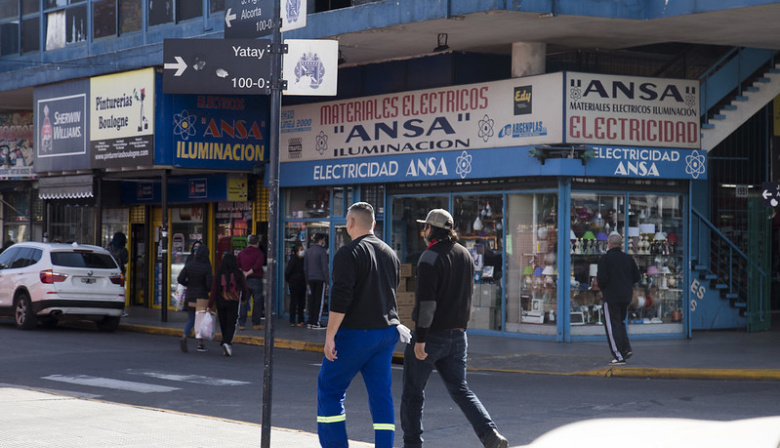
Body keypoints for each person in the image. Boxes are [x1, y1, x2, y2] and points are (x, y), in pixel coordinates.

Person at [401, 209, 508, 448]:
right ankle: (490, 435)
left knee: (413, 393)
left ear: (432, 230)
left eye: (425, 227)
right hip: (459, 336)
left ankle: (412, 444)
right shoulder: (465, 255)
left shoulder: (429, 258)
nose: (423, 231)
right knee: (462, 390)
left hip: (432, 336)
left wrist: (420, 338)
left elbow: (427, 304)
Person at [317, 202, 401, 448]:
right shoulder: (390, 254)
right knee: (381, 395)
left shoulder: (347, 253)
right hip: (386, 333)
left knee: (330, 390)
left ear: (350, 223)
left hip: (355, 334)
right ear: (373, 224)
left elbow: (341, 298)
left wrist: (330, 335)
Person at [597, 233, 640, 365]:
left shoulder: (605, 259)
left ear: (609, 244)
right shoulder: (628, 258)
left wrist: (604, 288)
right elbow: (637, 277)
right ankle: (625, 349)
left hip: (611, 297)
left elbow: (602, 280)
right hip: (626, 296)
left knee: (612, 326)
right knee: (620, 323)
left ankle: (618, 355)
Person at [208, 253, 247, 357]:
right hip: (233, 300)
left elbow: (214, 290)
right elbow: (244, 287)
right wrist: (243, 299)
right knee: (231, 322)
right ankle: (227, 342)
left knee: (223, 322)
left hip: (220, 300)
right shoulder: (238, 273)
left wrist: (209, 304)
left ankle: (225, 340)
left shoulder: (219, 273)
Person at [177, 244, 213, 353]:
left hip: (190, 295)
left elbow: (180, 278)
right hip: (201, 296)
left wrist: (188, 283)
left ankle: (184, 335)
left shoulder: (190, 265)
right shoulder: (206, 267)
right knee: (200, 321)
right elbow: (209, 284)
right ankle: (200, 344)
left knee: (191, 319)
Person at [237, 234, 265, 330]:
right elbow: (257, 266)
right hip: (256, 280)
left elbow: (237, 266)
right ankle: (255, 323)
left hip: (244, 281)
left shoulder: (241, 253)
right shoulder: (259, 253)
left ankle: (241, 323)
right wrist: (248, 273)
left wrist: (244, 273)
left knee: (243, 301)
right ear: (257, 242)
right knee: (257, 302)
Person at [304, 232, 329, 329]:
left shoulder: (308, 251)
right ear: (321, 240)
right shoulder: (322, 252)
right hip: (320, 279)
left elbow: (305, 268)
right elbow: (324, 268)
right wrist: (327, 282)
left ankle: (310, 321)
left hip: (310, 279)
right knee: (319, 301)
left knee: (311, 300)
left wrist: (306, 281)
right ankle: (316, 322)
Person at [285, 243, 307, 327]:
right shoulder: (293, 260)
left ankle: (301, 319)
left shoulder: (303, 260)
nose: (302, 251)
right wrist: (289, 280)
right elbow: (288, 271)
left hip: (302, 283)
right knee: (294, 302)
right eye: (301, 250)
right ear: (297, 251)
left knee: (302, 302)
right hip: (294, 283)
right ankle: (292, 320)